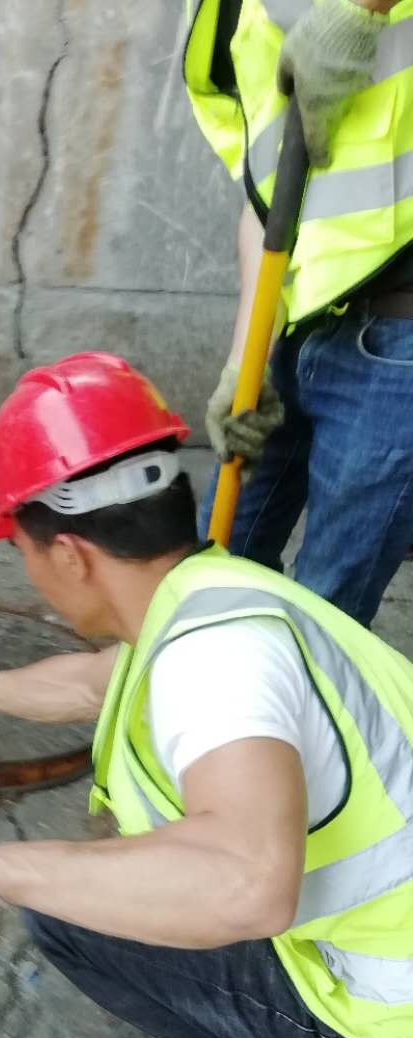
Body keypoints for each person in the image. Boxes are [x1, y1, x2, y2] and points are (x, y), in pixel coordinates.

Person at [0, 353, 413, 1038]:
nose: (31, 573)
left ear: (69, 554)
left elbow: (246, 885)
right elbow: (95, 681)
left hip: (392, 1016)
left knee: (64, 913)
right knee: (99, 877)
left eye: (23, 551)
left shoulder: (217, 662)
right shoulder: (214, 597)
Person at [188, 0, 413, 625]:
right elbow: (268, 202)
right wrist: (245, 361)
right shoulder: (227, 19)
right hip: (297, 329)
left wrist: (359, 12)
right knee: (212, 573)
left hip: (400, 340)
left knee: (323, 619)